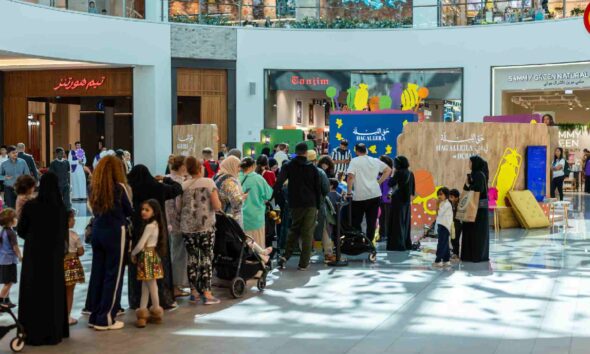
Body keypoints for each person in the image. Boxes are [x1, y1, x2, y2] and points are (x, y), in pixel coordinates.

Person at [17, 172, 69, 344]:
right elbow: (64, 235)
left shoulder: (31, 206)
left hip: (34, 255)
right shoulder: (61, 208)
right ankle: (54, 331)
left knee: (34, 291)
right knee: (52, 292)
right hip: (53, 257)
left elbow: (21, 231)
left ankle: (32, 332)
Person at [127, 165, 183, 310]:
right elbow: (178, 188)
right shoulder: (158, 187)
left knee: (139, 267)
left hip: (138, 229)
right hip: (158, 229)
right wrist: (166, 179)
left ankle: (138, 301)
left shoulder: (131, 188)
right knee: (160, 264)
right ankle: (161, 300)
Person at [86, 156, 132, 331]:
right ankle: (105, 318)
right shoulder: (120, 188)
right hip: (115, 232)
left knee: (98, 274)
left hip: (97, 230)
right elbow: (129, 210)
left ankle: (95, 315)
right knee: (114, 274)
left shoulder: (94, 187)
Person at [180, 157, 222, 305]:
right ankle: (207, 293)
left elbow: (179, 208)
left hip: (187, 228)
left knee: (192, 259)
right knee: (205, 257)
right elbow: (217, 206)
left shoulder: (183, 185)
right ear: (200, 168)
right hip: (205, 226)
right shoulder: (209, 183)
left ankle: (193, 293)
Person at [276, 142, 321, 271]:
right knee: (307, 233)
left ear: (296, 152)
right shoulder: (312, 168)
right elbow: (317, 188)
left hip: (295, 203)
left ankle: (285, 256)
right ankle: (303, 263)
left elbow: (279, 182)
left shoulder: (288, 166)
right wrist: (318, 205)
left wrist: (272, 197)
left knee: (294, 229)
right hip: (310, 204)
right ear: (306, 153)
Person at [131, 199, 166, 328]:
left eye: (147, 210)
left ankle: (154, 310)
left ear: (154, 212)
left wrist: (133, 253)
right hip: (153, 256)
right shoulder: (156, 224)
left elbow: (141, 244)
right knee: (147, 286)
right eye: (142, 209)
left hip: (146, 257)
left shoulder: (149, 226)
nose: (143, 212)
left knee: (151, 286)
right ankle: (145, 312)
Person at [347, 143, 392, 242]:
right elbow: (388, 170)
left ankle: (358, 242)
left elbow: (350, 177)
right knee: (371, 221)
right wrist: (378, 182)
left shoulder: (354, 161)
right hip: (374, 195)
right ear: (366, 150)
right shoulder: (375, 160)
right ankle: (369, 243)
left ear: (356, 151)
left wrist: (349, 193)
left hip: (359, 196)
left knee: (357, 221)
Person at [165, 156, 189, 298]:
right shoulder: (180, 182)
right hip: (178, 222)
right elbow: (179, 205)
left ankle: (169, 283)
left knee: (170, 252)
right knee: (179, 254)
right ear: (182, 167)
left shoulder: (166, 178)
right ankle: (176, 285)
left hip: (166, 220)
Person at [461, 155, 490, 263]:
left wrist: (469, 185)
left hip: (479, 210)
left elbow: (478, 190)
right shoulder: (474, 175)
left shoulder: (479, 175)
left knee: (477, 232)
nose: (469, 164)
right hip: (473, 208)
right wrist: (468, 185)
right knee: (470, 231)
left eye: (470, 162)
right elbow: (467, 188)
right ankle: (469, 255)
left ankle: (476, 255)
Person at [240, 157, 273, 247]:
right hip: (256, 218)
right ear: (253, 166)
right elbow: (268, 195)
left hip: (240, 219)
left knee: (242, 245)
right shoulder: (258, 179)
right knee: (257, 245)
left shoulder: (236, 177)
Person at [307, 150, 333, 263]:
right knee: (323, 229)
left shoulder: (296, 172)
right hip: (318, 205)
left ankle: (306, 255)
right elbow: (326, 189)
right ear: (315, 160)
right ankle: (328, 253)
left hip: (302, 206)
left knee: (305, 230)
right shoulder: (320, 172)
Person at [387, 156, 415, 251]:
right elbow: (412, 190)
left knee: (397, 223)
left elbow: (390, 183)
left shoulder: (398, 173)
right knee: (405, 223)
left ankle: (397, 245)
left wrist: (392, 174)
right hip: (406, 202)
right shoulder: (410, 173)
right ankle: (406, 243)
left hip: (397, 201)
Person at [65, 210, 85, 326]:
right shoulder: (73, 235)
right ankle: (67, 316)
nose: (75, 220)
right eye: (73, 219)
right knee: (69, 291)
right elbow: (81, 252)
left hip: (60, 264)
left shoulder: (56, 233)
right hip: (72, 264)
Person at [215, 156, 246, 226]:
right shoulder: (230, 181)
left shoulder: (217, 176)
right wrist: (243, 197)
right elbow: (237, 203)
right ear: (232, 166)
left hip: (218, 217)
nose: (239, 169)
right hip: (231, 220)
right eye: (238, 166)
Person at [0, 208, 21, 308]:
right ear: (10, 221)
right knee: (9, 282)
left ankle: (6, 301)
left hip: (3, 260)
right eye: (15, 218)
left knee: (7, 281)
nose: (17, 219)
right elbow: (15, 247)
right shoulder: (11, 233)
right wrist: (20, 256)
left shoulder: (3, 231)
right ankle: (1, 302)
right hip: (9, 261)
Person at [433, 187, 453, 267]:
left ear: (446, 195)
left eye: (441, 194)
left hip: (444, 226)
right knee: (445, 244)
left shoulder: (446, 204)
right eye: (438, 194)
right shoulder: (444, 203)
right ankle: (446, 260)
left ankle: (438, 260)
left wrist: (437, 204)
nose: (439, 196)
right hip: (442, 225)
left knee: (441, 243)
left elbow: (439, 213)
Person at [378, 155, 394, 243]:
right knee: (382, 218)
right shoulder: (380, 174)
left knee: (385, 218)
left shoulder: (389, 175)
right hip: (381, 199)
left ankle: (384, 235)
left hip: (386, 200)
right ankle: (383, 235)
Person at [449, 189, 462, 260]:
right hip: (453, 223)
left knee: (455, 239)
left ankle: (456, 254)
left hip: (458, 224)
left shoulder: (460, 204)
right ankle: (454, 252)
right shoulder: (451, 203)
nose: (450, 198)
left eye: (452, 197)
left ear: (457, 197)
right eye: (449, 197)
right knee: (452, 239)